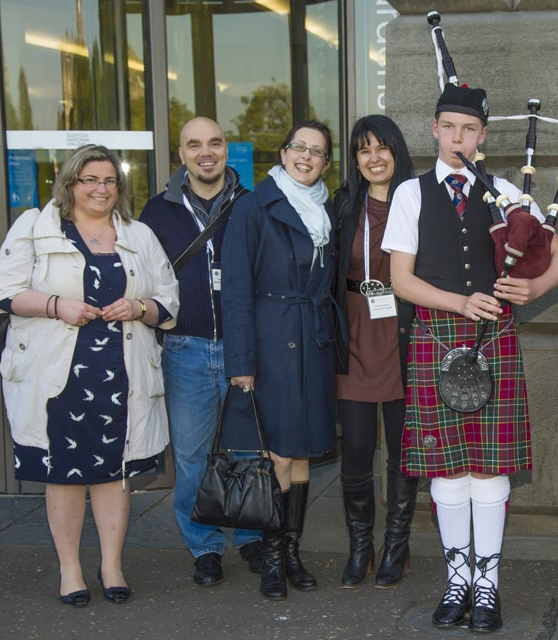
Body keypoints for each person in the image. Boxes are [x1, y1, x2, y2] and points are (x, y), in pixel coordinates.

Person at [382, 84, 558, 632]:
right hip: (437, 338)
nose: (458, 137)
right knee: (447, 471)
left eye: (469, 129)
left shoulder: (507, 191)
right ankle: (457, 583)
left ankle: (487, 588)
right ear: (435, 129)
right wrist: (459, 301)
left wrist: (535, 291)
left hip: (492, 342)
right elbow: (401, 280)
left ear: (482, 135)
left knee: (489, 471)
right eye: (449, 127)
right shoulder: (410, 195)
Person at [0, 144, 179, 607]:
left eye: (110, 180)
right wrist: (57, 306)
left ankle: (111, 564)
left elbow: (169, 302)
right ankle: (70, 569)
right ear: (70, 182)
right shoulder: (36, 227)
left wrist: (139, 307)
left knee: (114, 474)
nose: (101, 189)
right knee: (64, 473)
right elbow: (2, 291)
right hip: (59, 375)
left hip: (119, 372)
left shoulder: (139, 234)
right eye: (90, 179)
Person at [139, 116, 262, 588]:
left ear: (226, 149)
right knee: (191, 455)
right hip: (185, 347)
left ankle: (251, 534)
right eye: (194, 145)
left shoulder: (252, 205)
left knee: (248, 450)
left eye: (214, 142)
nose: (205, 152)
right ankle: (205, 545)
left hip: (242, 347)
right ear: (182, 154)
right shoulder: (157, 212)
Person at [221, 120, 338, 601]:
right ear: (284, 152)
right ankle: (271, 559)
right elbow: (235, 292)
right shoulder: (253, 205)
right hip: (270, 346)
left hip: (312, 345)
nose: (306, 157)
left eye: (317, 152)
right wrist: (241, 363)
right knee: (277, 455)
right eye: (298, 148)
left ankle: (292, 552)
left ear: (326, 163)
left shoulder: (326, 210)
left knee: (303, 451)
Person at [333, 115, 418, 589]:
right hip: (355, 333)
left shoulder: (419, 200)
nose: (373, 158)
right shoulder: (343, 205)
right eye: (363, 150)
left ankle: (396, 548)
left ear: (397, 151)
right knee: (357, 451)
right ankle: (360, 546)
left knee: (403, 453)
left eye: (382, 147)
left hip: (404, 332)